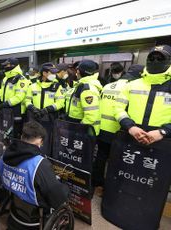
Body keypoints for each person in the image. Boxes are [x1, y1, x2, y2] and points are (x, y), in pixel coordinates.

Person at [0, 121, 70, 229]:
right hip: (34, 215)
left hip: (14, 203)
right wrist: (66, 189)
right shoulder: (40, 164)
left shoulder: (4, 154)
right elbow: (57, 198)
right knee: (62, 192)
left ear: (22, 136)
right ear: (40, 141)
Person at [92, 64, 144, 194]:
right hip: (118, 130)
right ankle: (111, 187)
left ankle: (97, 182)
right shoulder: (132, 88)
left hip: (102, 128)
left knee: (101, 156)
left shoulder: (108, 86)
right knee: (117, 160)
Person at [115, 45, 171, 145]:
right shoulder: (132, 85)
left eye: (160, 58)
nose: (155, 61)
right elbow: (117, 108)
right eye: (151, 58)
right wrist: (130, 127)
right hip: (130, 137)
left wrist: (163, 132)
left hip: (164, 142)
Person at [26, 63, 65, 155]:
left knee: (45, 141)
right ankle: (31, 155)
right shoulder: (33, 86)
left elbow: (60, 103)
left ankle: (43, 158)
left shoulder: (57, 86)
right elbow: (27, 100)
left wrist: (47, 109)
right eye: (52, 73)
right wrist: (33, 108)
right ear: (44, 73)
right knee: (32, 138)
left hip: (49, 119)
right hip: (34, 117)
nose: (54, 75)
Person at [0, 58, 30, 138]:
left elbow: (19, 97)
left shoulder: (21, 79)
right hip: (6, 110)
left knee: (15, 134)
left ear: (13, 65)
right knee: (5, 132)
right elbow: (1, 91)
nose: (5, 66)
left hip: (16, 111)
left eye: (7, 65)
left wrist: (4, 104)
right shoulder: (5, 78)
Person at [64, 59, 102, 135]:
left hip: (83, 131)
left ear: (79, 71)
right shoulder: (83, 85)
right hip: (79, 127)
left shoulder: (87, 89)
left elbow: (91, 116)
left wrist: (79, 129)